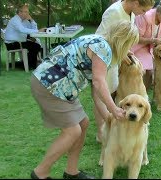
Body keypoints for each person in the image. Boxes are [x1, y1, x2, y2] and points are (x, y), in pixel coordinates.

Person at [30, 21, 139, 179]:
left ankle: (71, 172)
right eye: (130, 44)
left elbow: (97, 91)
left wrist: (109, 117)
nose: (130, 50)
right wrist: (114, 109)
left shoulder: (100, 43)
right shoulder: (104, 49)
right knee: (72, 131)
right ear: (123, 41)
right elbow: (98, 82)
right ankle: (40, 172)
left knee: (83, 123)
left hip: (62, 88)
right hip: (50, 84)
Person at [94, 0, 155, 142]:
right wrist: (121, 54)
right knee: (100, 96)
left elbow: (121, 38)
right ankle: (102, 132)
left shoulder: (131, 14)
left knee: (109, 92)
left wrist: (125, 52)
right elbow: (103, 40)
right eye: (144, 10)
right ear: (135, 3)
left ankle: (109, 128)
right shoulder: (114, 12)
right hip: (102, 59)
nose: (144, 14)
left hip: (114, 59)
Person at [131, 1, 161, 90]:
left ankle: (143, 95)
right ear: (158, 13)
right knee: (142, 71)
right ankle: (136, 93)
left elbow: (160, 36)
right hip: (135, 47)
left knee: (150, 72)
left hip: (149, 48)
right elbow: (136, 38)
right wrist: (153, 40)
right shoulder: (145, 17)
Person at [4, 4, 45, 70]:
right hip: (12, 43)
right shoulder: (15, 20)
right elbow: (22, 29)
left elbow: (32, 29)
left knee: (36, 45)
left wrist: (31, 20)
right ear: (20, 12)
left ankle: (29, 64)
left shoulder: (25, 20)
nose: (27, 14)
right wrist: (38, 31)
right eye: (25, 12)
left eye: (27, 12)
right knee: (35, 46)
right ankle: (28, 65)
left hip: (20, 41)